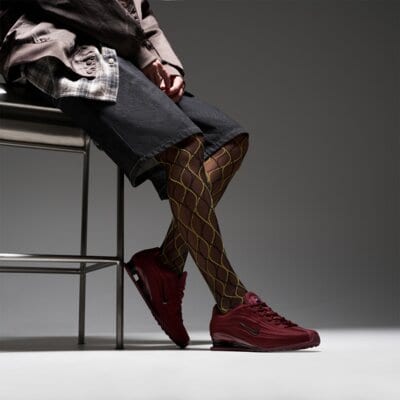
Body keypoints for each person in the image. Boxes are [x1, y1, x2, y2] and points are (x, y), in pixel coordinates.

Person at [0, 0, 321, 351]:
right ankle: (232, 305)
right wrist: (143, 54)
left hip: (117, 52)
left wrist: (166, 64)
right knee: (183, 145)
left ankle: (164, 265)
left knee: (226, 140)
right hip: (57, 49)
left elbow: (141, 13)